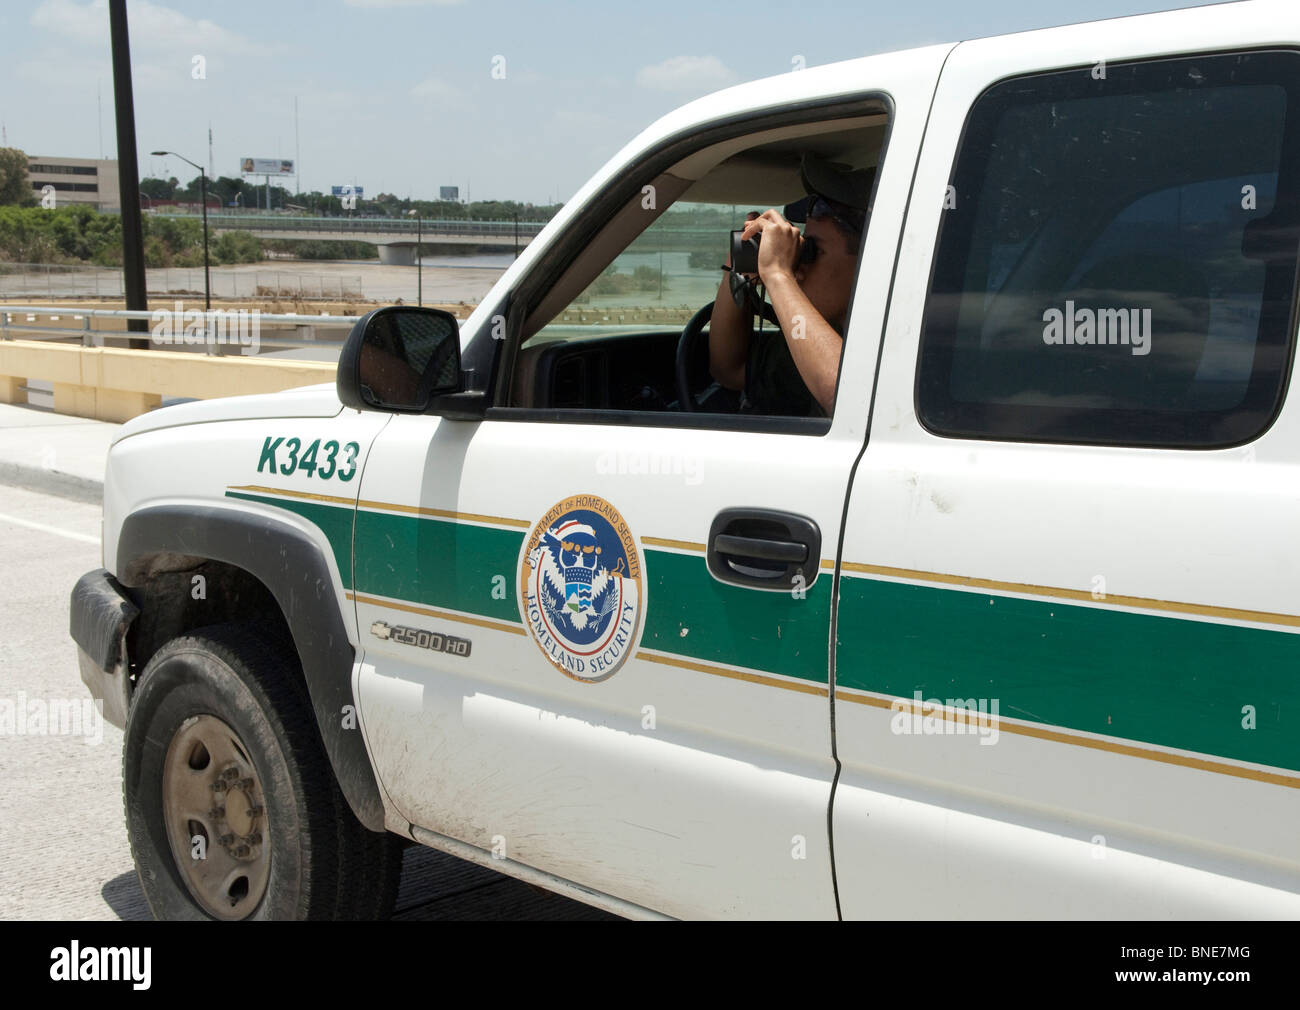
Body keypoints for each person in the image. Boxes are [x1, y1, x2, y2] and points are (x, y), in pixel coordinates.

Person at [708, 154, 873, 417]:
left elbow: (847, 400)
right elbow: (730, 371)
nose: (798, 269)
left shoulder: (907, 339)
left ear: (869, 260)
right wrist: (740, 264)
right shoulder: (816, 334)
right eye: (801, 250)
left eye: (812, 252)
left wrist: (777, 273)